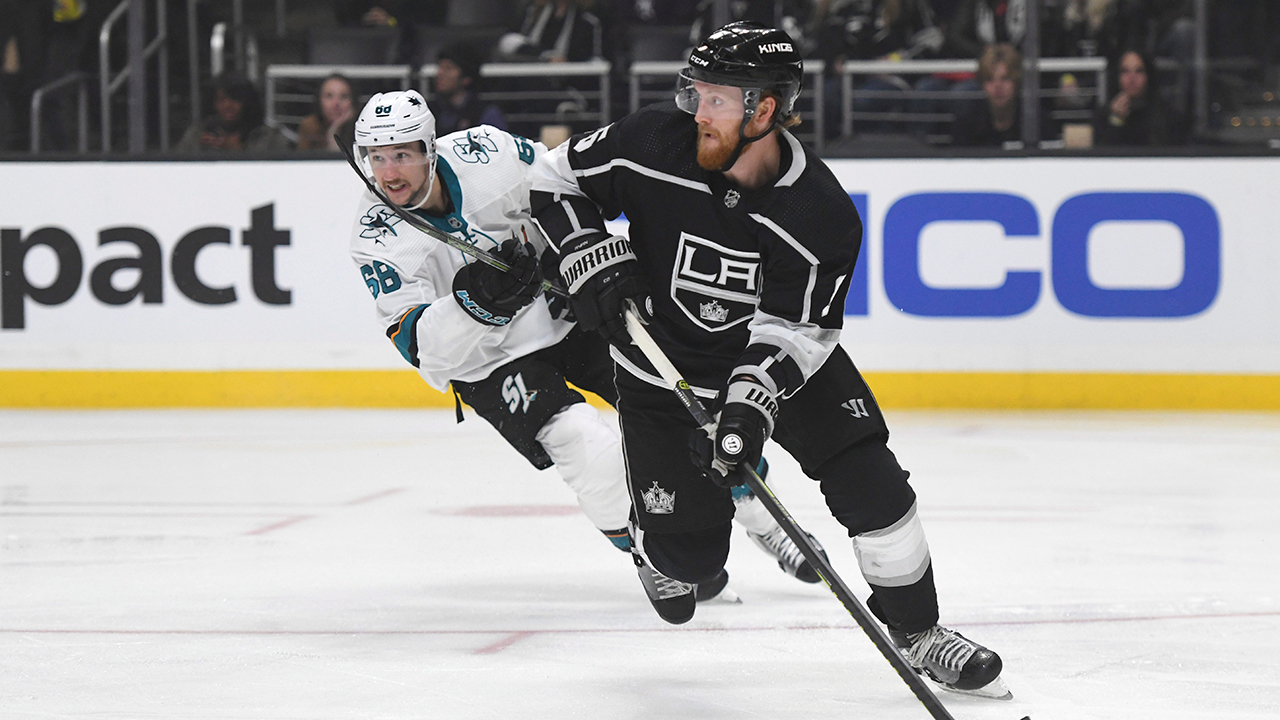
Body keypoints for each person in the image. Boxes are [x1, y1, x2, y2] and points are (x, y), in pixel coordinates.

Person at [528, 21, 1009, 699]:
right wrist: (587, 255)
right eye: (694, 92)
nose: (697, 110)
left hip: (780, 372)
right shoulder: (648, 142)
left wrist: (749, 406)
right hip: (657, 368)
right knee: (688, 561)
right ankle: (652, 542)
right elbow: (551, 181)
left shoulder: (821, 213)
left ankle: (921, 633)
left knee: (874, 484)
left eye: (717, 98)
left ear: (766, 109)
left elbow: (799, 330)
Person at [345, 89, 828, 614]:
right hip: (489, 360)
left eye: (403, 154)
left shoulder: (487, 152)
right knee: (580, 440)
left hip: (565, 311)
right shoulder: (376, 238)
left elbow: (561, 185)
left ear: (431, 148)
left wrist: (571, 253)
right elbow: (422, 348)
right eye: (377, 156)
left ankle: (766, 520)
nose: (390, 171)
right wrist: (474, 302)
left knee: (685, 403)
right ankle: (654, 553)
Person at [176, 73, 290, 154]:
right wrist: (198, 150)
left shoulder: (270, 137)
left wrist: (239, 153)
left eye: (235, 99)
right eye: (221, 100)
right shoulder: (197, 133)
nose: (227, 106)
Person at [1092, 48, 1185, 146]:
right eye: (1125, 71)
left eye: (1139, 71)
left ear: (1148, 77)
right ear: (1117, 77)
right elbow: (1103, 156)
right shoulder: (1103, 117)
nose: (1132, 79)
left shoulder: (1169, 117)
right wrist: (1116, 121)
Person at [951, 43, 1024, 146]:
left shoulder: (1037, 122)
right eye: (990, 79)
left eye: (1005, 79)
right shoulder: (967, 124)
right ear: (982, 84)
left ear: (1016, 82)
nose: (997, 86)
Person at [427, 42, 507, 137]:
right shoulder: (429, 111)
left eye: (448, 68)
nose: (439, 73)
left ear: (466, 78)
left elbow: (499, 147)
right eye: (439, 67)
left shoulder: (485, 113)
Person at [296, 73, 357, 152]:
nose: (336, 103)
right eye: (329, 96)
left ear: (353, 101)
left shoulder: (362, 127)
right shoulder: (309, 126)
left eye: (344, 96)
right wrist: (333, 132)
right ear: (319, 100)